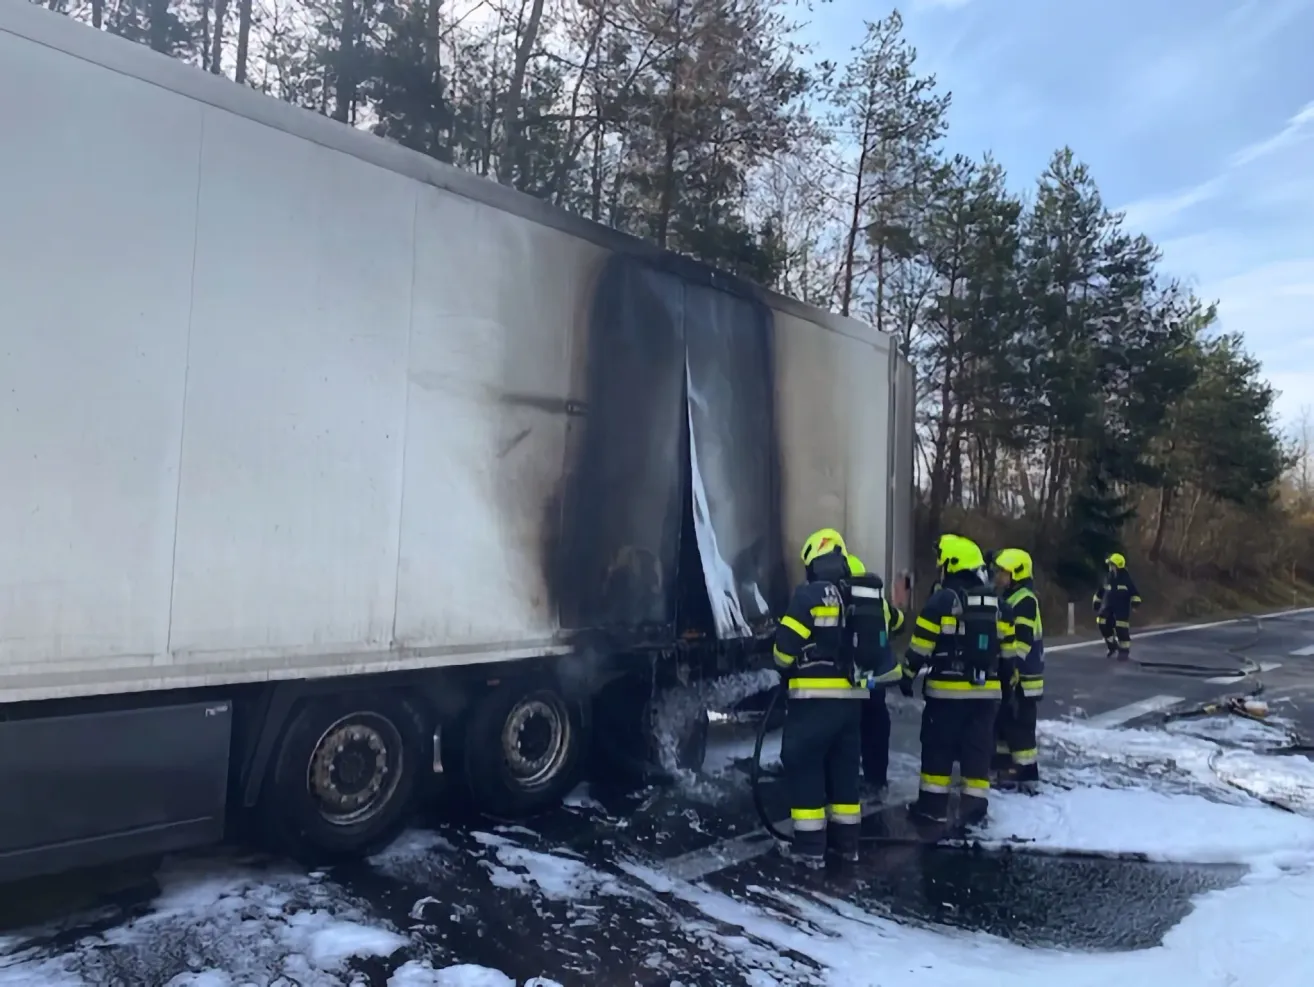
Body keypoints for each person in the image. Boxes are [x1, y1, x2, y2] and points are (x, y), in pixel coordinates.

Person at [770, 528, 866, 866]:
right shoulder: (859, 594)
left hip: (813, 700)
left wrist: (785, 662)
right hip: (852, 702)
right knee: (844, 773)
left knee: (805, 763)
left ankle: (810, 849)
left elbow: (783, 653)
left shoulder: (808, 596)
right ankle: (847, 846)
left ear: (813, 563)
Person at [900, 534, 1003, 826]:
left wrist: (907, 676)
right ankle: (974, 813)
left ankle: (932, 809)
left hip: (946, 694)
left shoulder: (942, 600)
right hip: (986, 696)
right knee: (977, 753)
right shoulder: (996, 602)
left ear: (952, 564)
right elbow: (1008, 649)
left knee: (938, 750)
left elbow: (921, 645)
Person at [845, 553, 907, 801]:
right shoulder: (877, 603)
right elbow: (899, 623)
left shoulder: (844, 599)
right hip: (876, 680)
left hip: (852, 679)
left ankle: (848, 781)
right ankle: (877, 779)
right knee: (877, 726)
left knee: (849, 730)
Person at [992, 548, 1044, 791]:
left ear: (1017, 574)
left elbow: (1021, 644)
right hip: (1014, 675)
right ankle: (1006, 766)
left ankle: (1025, 771)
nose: (999, 575)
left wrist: (1006, 665)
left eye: (1004, 572)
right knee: (1006, 724)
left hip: (1024, 677)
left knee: (1021, 727)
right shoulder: (1011, 598)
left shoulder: (1024, 600)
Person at [1093, 552, 1142, 662]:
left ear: (1118, 566)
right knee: (1102, 622)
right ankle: (1112, 646)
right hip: (1107, 608)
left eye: (1113, 565)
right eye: (1110, 565)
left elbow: (1135, 594)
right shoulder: (1107, 578)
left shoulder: (1126, 580)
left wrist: (1135, 604)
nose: (1111, 567)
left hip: (1121, 609)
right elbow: (1100, 591)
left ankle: (1124, 652)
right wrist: (1096, 602)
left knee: (1121, 628)